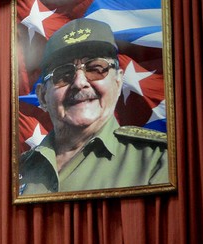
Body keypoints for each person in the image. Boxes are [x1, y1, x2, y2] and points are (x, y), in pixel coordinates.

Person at [18, 18, 169, 194]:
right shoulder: (17, 171)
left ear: (118, 82)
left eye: (96, 69)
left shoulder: (158, 160)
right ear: (43, 96)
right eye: (63, 74)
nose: (80, 82)